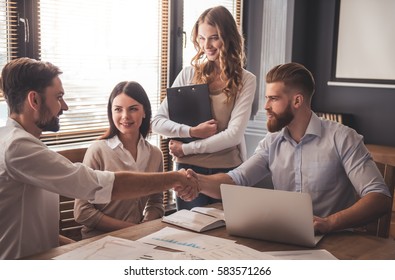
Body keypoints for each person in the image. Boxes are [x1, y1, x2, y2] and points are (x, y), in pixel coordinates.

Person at [0, 57, 196, 259]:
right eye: (58, 97)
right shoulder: (17, 147)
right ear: (34, 100)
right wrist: (175, 178)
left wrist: (81, 248)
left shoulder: (17, 142)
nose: (65, 106)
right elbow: (102, 185)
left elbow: (33, 228)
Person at [185, 62, 392, 234]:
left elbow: (379, 198)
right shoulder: (272, 141)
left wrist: (329, 223)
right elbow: (235, 180)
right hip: (287, 240)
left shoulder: (343, 137)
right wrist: (196, 182)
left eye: (273, 99)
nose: (266, 106)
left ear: (297, 100)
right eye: (266, 98)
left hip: (337, 242)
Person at [152, 6, 256, 210]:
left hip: (228, 170)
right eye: (201, 38)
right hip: (188, 171)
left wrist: (187, 148)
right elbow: (157, 123)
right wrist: (191, 132)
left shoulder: (246, 80)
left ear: (228, 37)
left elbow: (233, 136)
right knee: (191, 233)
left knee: (227, 235)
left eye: (214, 37)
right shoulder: (188, 74)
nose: (206, 45)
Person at [74, 81, 165, 238]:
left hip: (139, 237)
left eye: (133, 109)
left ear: (145, 112)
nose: (125, 116)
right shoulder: (98, 150)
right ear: (111, 112)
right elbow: (82, 211)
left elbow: (156, 202)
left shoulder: (155, 154)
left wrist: (145, 224)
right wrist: (131, 229)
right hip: (99, 239)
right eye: (118, 109)